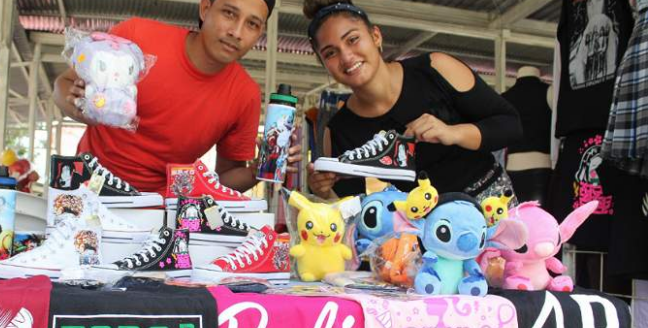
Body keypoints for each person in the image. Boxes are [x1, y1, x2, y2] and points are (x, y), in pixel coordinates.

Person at [54, 0, 301, 194]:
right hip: (86, 183)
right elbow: (62, 84)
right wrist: (77, 106)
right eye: (229, 13)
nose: (237, 32)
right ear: (205, 9)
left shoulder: (245, 96)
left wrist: (258, 170)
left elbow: (224, 178)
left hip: (161, 212)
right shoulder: (138, 35)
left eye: (252, 24)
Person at [304, 0, 523, 202]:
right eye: (330, 53)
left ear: (376, 36)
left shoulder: (435, 68)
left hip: (491, 204)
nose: (346, 56)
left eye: (353, 39)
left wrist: (452, 133)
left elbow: (511, 125)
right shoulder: (340, 129)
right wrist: (324, 191)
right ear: (323, 63)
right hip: (425, 229)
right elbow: (349, 214)